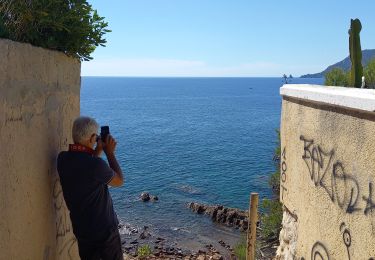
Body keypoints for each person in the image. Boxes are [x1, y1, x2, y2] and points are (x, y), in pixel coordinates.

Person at [57, 116, 124, 260]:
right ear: (92, 137)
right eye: (96, 137)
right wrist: (109, 153)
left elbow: (84, 169)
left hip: (83, 230)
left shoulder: (62, 159)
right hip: (105, 232)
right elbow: (119, 181)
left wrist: (97, 151)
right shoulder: (95, 165)